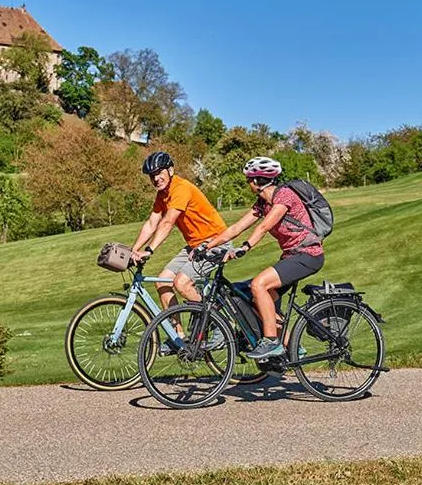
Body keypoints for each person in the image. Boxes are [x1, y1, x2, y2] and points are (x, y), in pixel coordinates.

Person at [200, 156, 324, 360]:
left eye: (249, 179)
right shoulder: (262, 203)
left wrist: (245, 247)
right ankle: (293, 346)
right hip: (290, 257)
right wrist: (207, 246)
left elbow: (264, 227)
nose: (248, 183)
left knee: (259, 284)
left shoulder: (284, 195)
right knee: (253, 295)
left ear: (258, 181)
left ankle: (271, 342)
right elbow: (236, 228)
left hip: (308, 255)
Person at [130, 152, 229, 349]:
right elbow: (152, 223)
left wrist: (149, 250)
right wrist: (133, 250)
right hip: (195, 246)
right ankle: (179, 337)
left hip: (216, 242)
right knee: (162, 281)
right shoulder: (162, 195)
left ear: (170, 170)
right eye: (152, 175)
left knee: (181, 283)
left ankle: (221, 322)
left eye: (159, 173)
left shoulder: (181, 188)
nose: (156, 178)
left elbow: (168, 222)